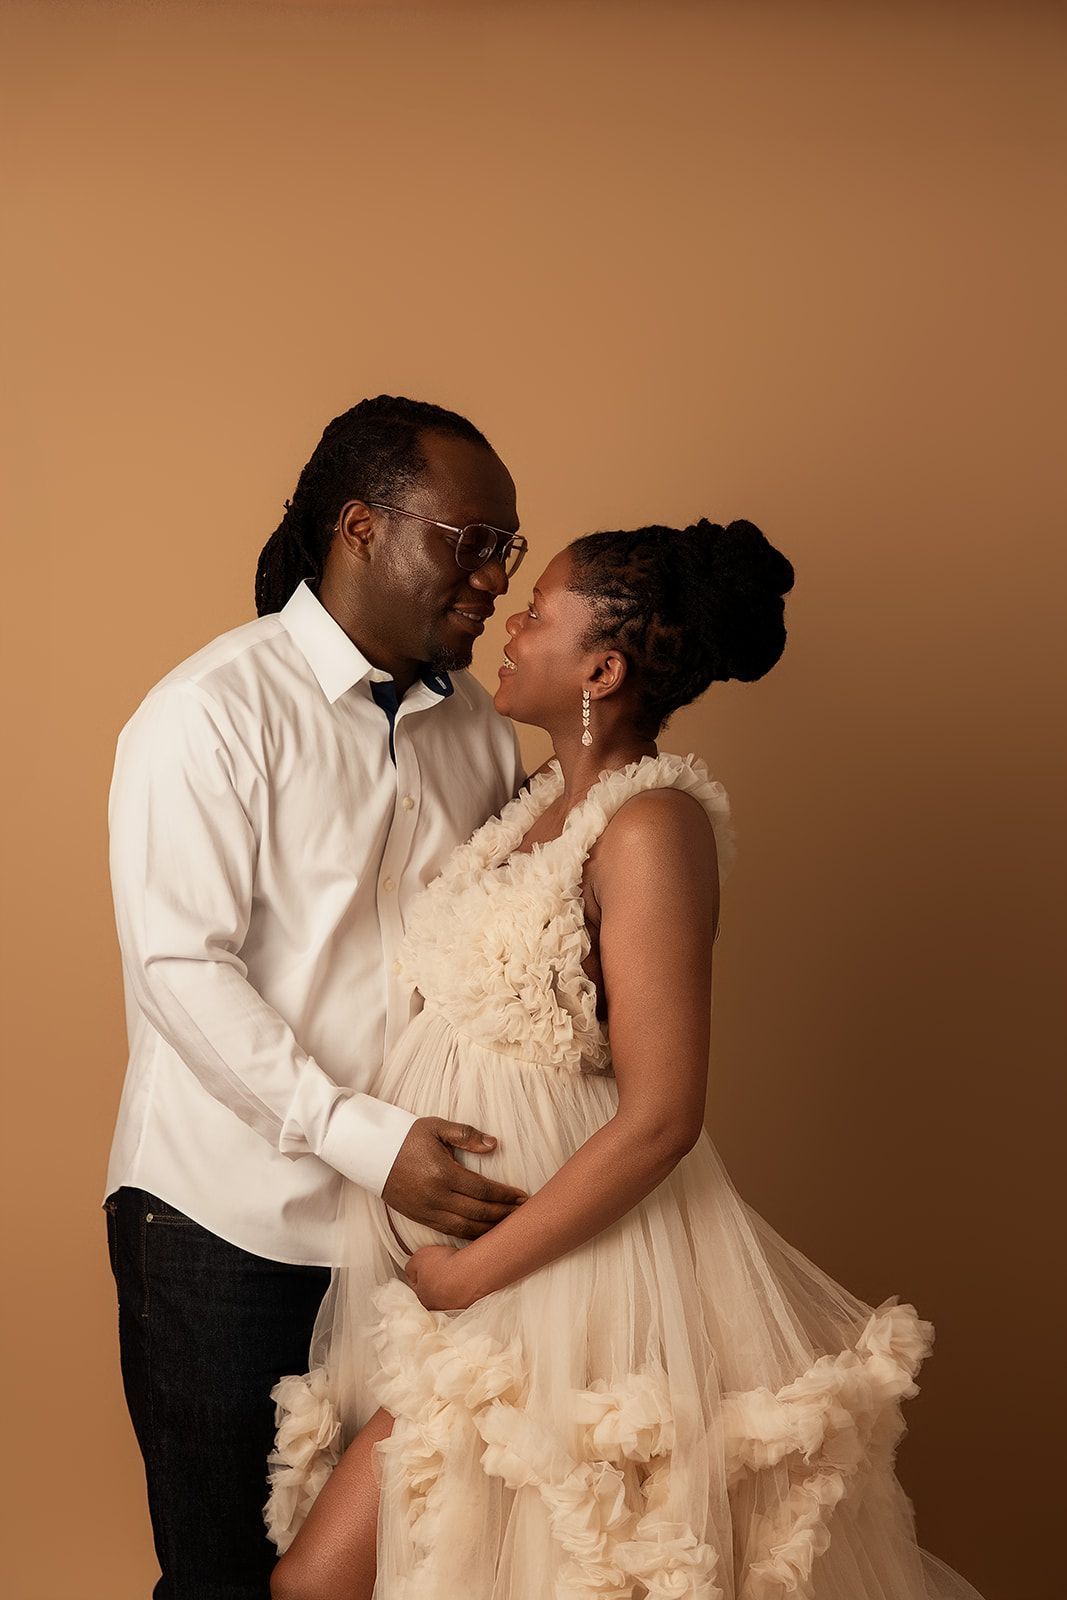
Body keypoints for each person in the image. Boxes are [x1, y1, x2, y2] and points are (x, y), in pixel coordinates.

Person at [265, 521, 987, 1600]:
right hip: (470, 1268)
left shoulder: (650, 825)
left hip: (568, 1270)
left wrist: (468, 1273)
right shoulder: (526, 807)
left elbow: (661, 1115)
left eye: (538, 614)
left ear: (599, 667)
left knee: (407, 1574)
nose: (510, 623)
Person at [102, 395, 537, 1597]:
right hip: (225, 1228)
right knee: (227, 1581)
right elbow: (181, 968)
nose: (498, 575)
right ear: (360, 527)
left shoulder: (479, 736)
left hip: (411, 1243)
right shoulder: (208, 714)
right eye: (472, 539)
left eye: (508, 545)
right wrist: (367, 1139)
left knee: (396, 1573)